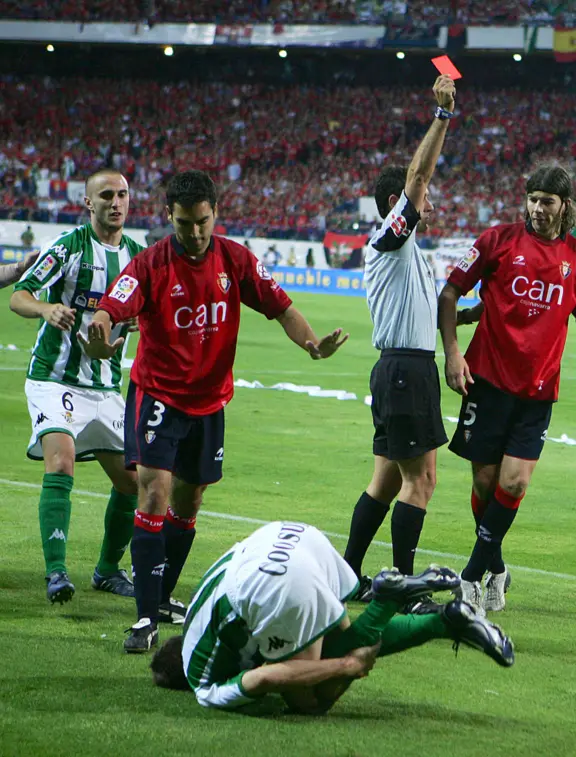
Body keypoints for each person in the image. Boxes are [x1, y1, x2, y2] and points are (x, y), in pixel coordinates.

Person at [80, 170, 350, 653]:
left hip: (209, 402)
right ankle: (144, 620)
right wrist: (100, 332)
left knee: (190, 502)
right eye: (185, 223)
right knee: (154, 493)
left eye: (202, 222)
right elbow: (110, 308)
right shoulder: (149, 265)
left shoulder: (235, 259)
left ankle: (161, 597)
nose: (195, 233)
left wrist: (311, 343)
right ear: (170, 217)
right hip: (159, 396)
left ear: (215, 213)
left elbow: (281, 307)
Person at [438, 165, 576, 614]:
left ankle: (471, 576)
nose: (537, 208)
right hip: (487, 382)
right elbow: (450, 293)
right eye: (532, 198)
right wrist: (453, 354)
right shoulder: (498, 240)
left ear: (564, 206)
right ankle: (496, 566)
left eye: (547, 201)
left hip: (537, 391)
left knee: (513, 482)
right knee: (485, 481)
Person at [150, 521, 515, 713]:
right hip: (290, 539)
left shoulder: (204, 684)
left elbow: (265, 677)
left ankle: (388, 601)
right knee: (337, 642)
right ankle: (445, 619)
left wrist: (345, 668)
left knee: (308, 700)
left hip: (274, 583)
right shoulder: (199, 618)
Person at [342, 75, 456, 602]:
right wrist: (442, 116)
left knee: (386, 482)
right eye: (423, 197)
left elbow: (424, 316)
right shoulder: (389, 238)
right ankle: (405, 588)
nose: (429, 201)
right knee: (422, 481)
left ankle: (347, 575)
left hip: (401, 367)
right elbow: (417, 174)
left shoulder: (406, 255)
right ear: (397, 203)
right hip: (408, 371)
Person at [9, 169, 144, 605]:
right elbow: (19, 295)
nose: (116, 202)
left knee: (133, 483)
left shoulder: (139, 259)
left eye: (122, 194)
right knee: (62, 463)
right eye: (106, 195)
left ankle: (107, 571)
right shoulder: (68, 248)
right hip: (54, 377)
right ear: (89, 203)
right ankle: (56, 573)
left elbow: (152, 313)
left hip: (105, 387)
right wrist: (46, 308)